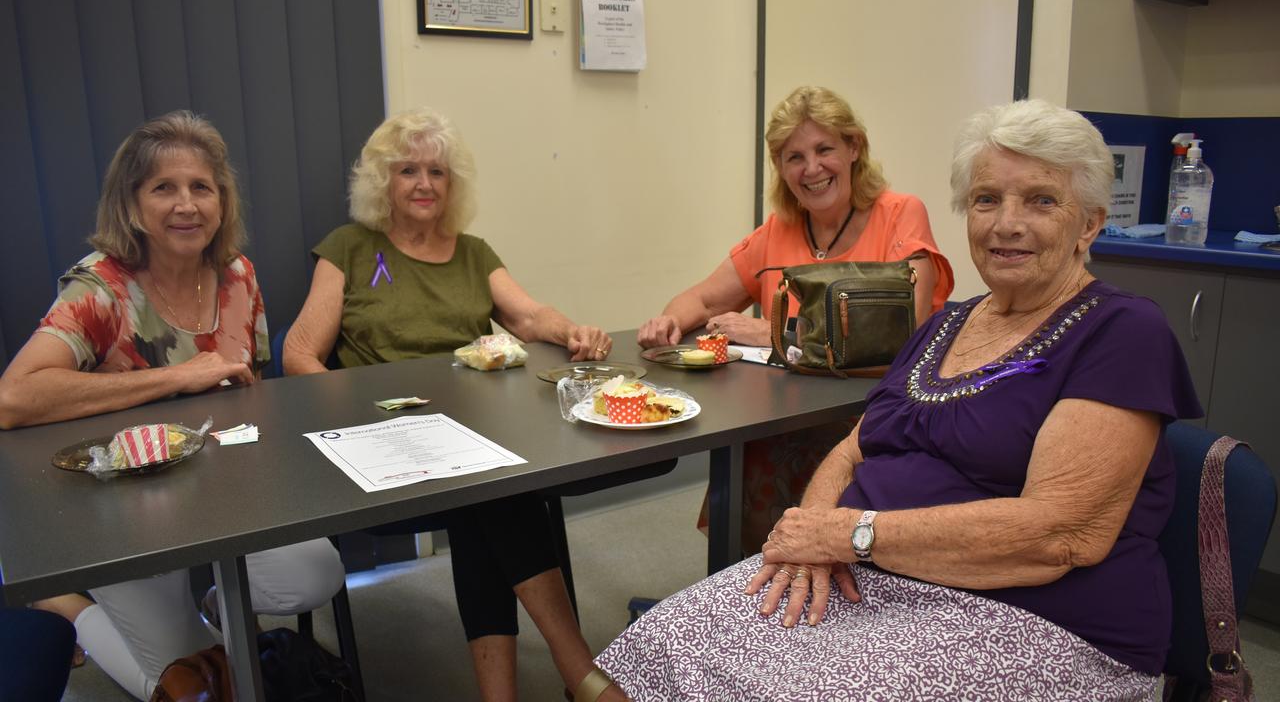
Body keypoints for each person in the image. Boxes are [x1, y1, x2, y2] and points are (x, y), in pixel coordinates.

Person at [596, 99, 1201, 700]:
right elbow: (852, 451)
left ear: (1089, 222)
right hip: (871, 575)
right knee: (662, 641)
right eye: (987, 199)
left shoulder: (1121, 330)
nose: (1005, 223)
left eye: (1041, 200)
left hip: (1035, 616)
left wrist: (850, 535)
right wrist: (812, 538)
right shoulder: (949, 324)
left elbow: (1058, 534)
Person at [0, 111, 346, 700]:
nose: (186, 204)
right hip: (123, 510)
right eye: (164, 188)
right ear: (133, 206)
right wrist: (177, 377)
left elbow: (252, 395)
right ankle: (68, 603)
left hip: (226, 494)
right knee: (195, 686)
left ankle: (215, 596)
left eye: (201, 187)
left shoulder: (239, 276)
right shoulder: (100, 287)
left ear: (221, 201)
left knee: (315, 574)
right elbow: (12, 399)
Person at [283, 108, 623, 702]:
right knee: (496, 495)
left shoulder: (472, 252)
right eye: (407, 170)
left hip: (468, 440)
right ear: (382, 182)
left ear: (452, 184)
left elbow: (527, 316)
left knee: (483, 495)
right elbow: (299, 354)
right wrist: (352, 424)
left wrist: (572, 331)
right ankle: (581, 672)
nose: (423, 184)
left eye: (437, 172)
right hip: (382, 442)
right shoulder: (350, 248)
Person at [637, 86, 955, 550]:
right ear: (780, 168)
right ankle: (751, 587)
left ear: (854, 148)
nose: (811, 169)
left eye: (825, 149)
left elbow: (897, 333)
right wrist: (669, 320)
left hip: (876, 412)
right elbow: (703, 300)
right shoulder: (777, 231)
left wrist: (772, 334)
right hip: (786, 417)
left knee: (783, 457)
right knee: (751, 452)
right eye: (793, 157)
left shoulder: (901, 214)